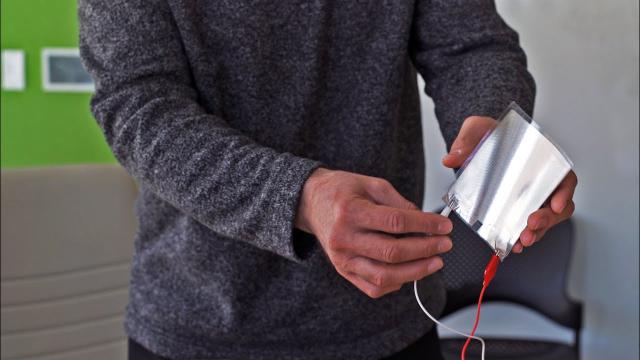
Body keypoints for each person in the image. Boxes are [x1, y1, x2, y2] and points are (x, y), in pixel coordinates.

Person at [78, 1, 577, 359]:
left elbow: (472, 47)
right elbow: (140, 107)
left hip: (387, 324)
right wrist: (299, 195)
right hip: (200, 325)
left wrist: (494, 135)